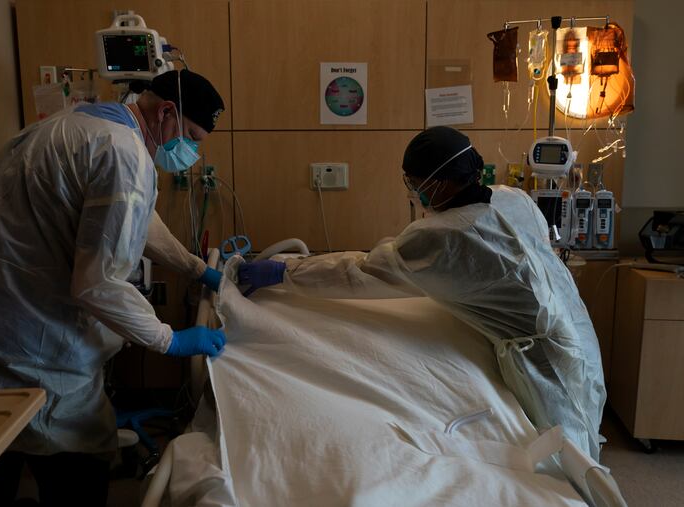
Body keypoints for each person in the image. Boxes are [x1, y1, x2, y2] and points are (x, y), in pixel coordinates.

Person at [0, 69, 226, 505]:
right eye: (193, 136)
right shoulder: (124, 155)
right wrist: (171, 339)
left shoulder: (72, 123)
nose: (192, 151)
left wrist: (196, 269)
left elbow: (137, 220)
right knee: (76, 457)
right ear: (166, 112)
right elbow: (98, 283)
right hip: (18, 337)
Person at [238, 126, 606, 461]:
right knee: (581, 425)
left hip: (543, 357)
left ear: (443, 182)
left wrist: (284, 271)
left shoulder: (444, 237)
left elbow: (361, 274)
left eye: (415, 182)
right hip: (575, 326)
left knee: (565, 451)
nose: (414, 191)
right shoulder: (512, 199)